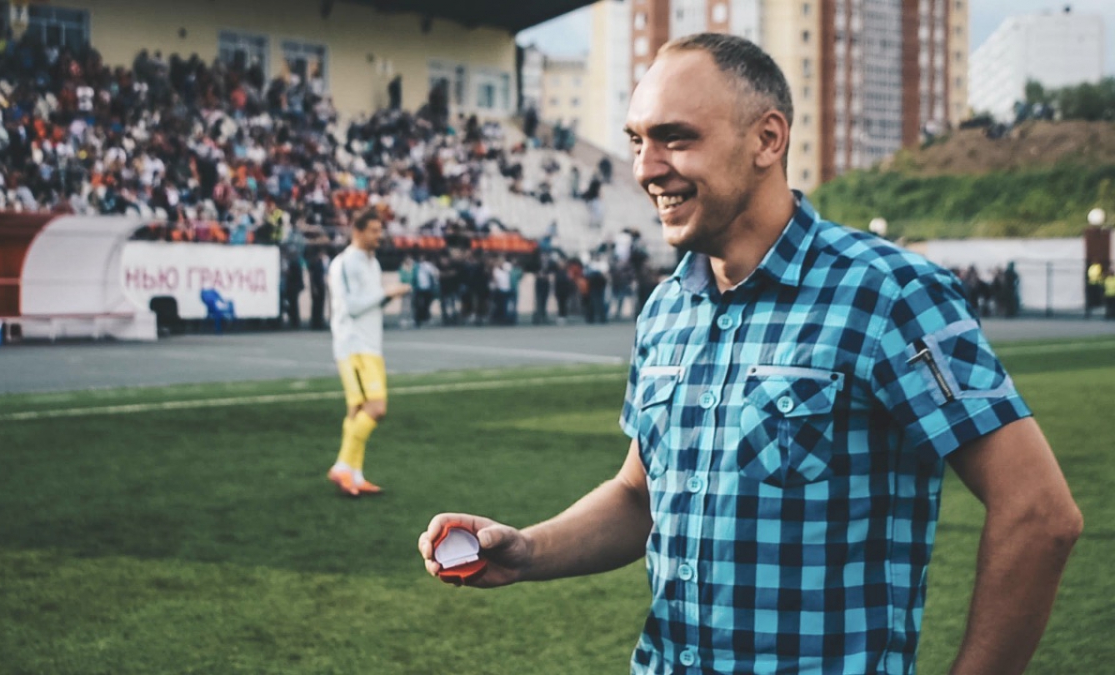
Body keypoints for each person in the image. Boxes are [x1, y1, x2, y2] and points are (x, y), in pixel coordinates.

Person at [418, 33, 1082, 674]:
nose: (646, 168)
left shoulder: (886, 292)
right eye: (638, 141)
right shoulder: (667, 308)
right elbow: (640, 495)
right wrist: (529, 549)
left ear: (768, 139)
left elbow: (1039, 513)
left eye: (676, 138)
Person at [326, 209, 411, 497]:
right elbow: (351, 307)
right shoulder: (346, 262)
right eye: (373, 231)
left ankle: (355, 474)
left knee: (357, 410)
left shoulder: (371, 263)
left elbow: (369, 304)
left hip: (369, 344)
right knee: (376, 408)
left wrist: (387, 296)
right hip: (354, 345)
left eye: (380, 230)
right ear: (357, 231)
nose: (379, 236)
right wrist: (386, 293)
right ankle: (342, 466)